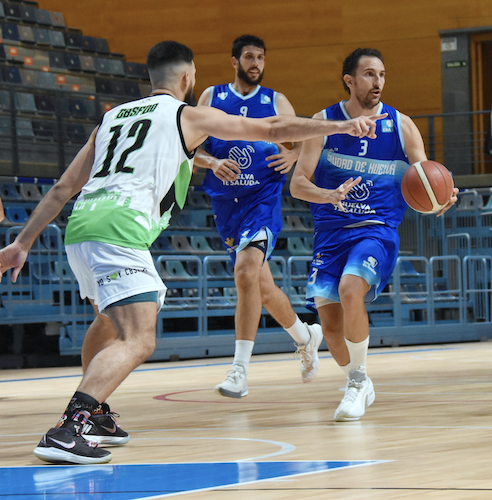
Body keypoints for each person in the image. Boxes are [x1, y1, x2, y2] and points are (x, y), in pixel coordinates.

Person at [0, 40, 385, 464]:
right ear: (187, 78)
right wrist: (340, 127)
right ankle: (69, 427)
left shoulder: (110, 118)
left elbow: (62, 188)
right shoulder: (189, 115)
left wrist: (23, 242)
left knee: (109, 321)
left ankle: (94, 414)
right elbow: (273, 130)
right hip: (120, 230)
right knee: (140, 338)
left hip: (82, 227)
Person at [290, 48, 458, 422]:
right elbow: (298, 184)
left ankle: (358, 382)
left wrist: (440, 198)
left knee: (352, 289)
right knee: (333, 333)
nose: (377, 81)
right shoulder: (323, 122)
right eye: (368, 74)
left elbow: (426, 180)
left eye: (381, 74)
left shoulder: (402, 125)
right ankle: (356, 378)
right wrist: (327, 195)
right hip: (330, 235)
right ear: (349, 80)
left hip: (376, 230)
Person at [193, 35, 322, 399]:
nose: (256, 63)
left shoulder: (275, 100)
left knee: (246, 273)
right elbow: (190, 148)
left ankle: (239, 371)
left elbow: (305, 138)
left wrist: (294, 157)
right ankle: (306, 336)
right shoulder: (212, 98)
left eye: (261, 57)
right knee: (261, 288)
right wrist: (213, 162)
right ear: (234, 61)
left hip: (262, 199)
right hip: (226, 205)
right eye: (249, 57)